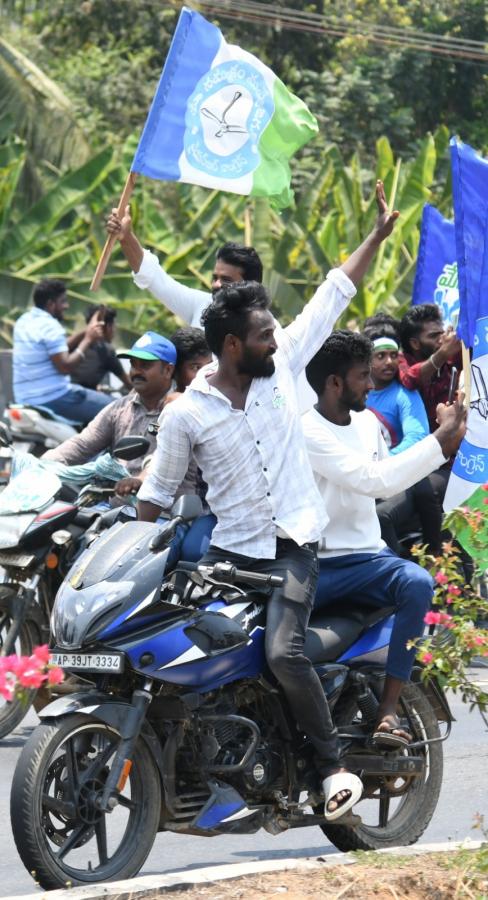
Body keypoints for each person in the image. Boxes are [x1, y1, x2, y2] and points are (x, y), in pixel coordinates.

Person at [136, 180, 399, 821]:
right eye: (263, 335)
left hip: (293, 548)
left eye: (275, 331)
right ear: (232, 346)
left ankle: (332, 764)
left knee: (284, 651)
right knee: (179, 642)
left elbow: (334, 293)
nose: (276, 341)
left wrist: (378, 234)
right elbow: (155, 498)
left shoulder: (282, 369)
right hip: (231, 554)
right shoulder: (185, 416)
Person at [302, 330, 466, 747]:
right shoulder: (307, 431)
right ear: (334, 383)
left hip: (364, 559)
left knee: (417, 582)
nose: (371, 386)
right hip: (312, 565)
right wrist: (440, 440)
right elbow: (375, 480)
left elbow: (387, 477)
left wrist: (444, 441)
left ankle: (388, 709)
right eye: (362, 376)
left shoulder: (368, 424)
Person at [105, 207, 317, 412]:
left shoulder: (270, 334)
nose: (216, 285)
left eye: (226, 280)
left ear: (249, 286)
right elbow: (155, 279)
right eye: (215, 277)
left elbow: (270, 396)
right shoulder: (204, 305)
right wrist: (126, 237)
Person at [44, 331, 178, 498]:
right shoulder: (119, 409)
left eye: (145, 365)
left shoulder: (179, 410)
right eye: (133, 365)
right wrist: (42, 464)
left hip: (163, 514)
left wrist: (140, 479)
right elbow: (82, 444)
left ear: (167, 370)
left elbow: (164, 458)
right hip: (112, 510)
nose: (136, 372)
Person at [398, 303, 462, 553]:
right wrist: (442, 354)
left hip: (449, 461)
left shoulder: (451, 361)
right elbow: (411, 378)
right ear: (415, 343)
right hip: (415, 460)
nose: (440, 340)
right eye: (433, 336)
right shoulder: (401, 361)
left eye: (441, 333)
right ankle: (437, 556)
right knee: (425, 491)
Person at [12, 279, 112, 424]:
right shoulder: (50, 326)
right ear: (51, 304)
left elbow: (55, 350)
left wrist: (87, 331)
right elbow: (65, 366)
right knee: (117, 409)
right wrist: (88, 340)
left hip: (24, 397)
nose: (67, 306)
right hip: (54, 398)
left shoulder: (24, 321)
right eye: (63, 301)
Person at [364, 331, 429, 453]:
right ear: (368, 361)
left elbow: (418, 437)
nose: (389, 361)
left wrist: (385, 462)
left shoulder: (405, 394)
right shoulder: (356, 391)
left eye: (393, 355)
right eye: (380, 356)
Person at [71, 305, 132, 392]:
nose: (115, 331)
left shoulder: (75, 342)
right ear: (108, 327)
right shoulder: (106, 350)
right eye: (114, 326)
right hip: (79, 394)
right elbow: (128, 383)